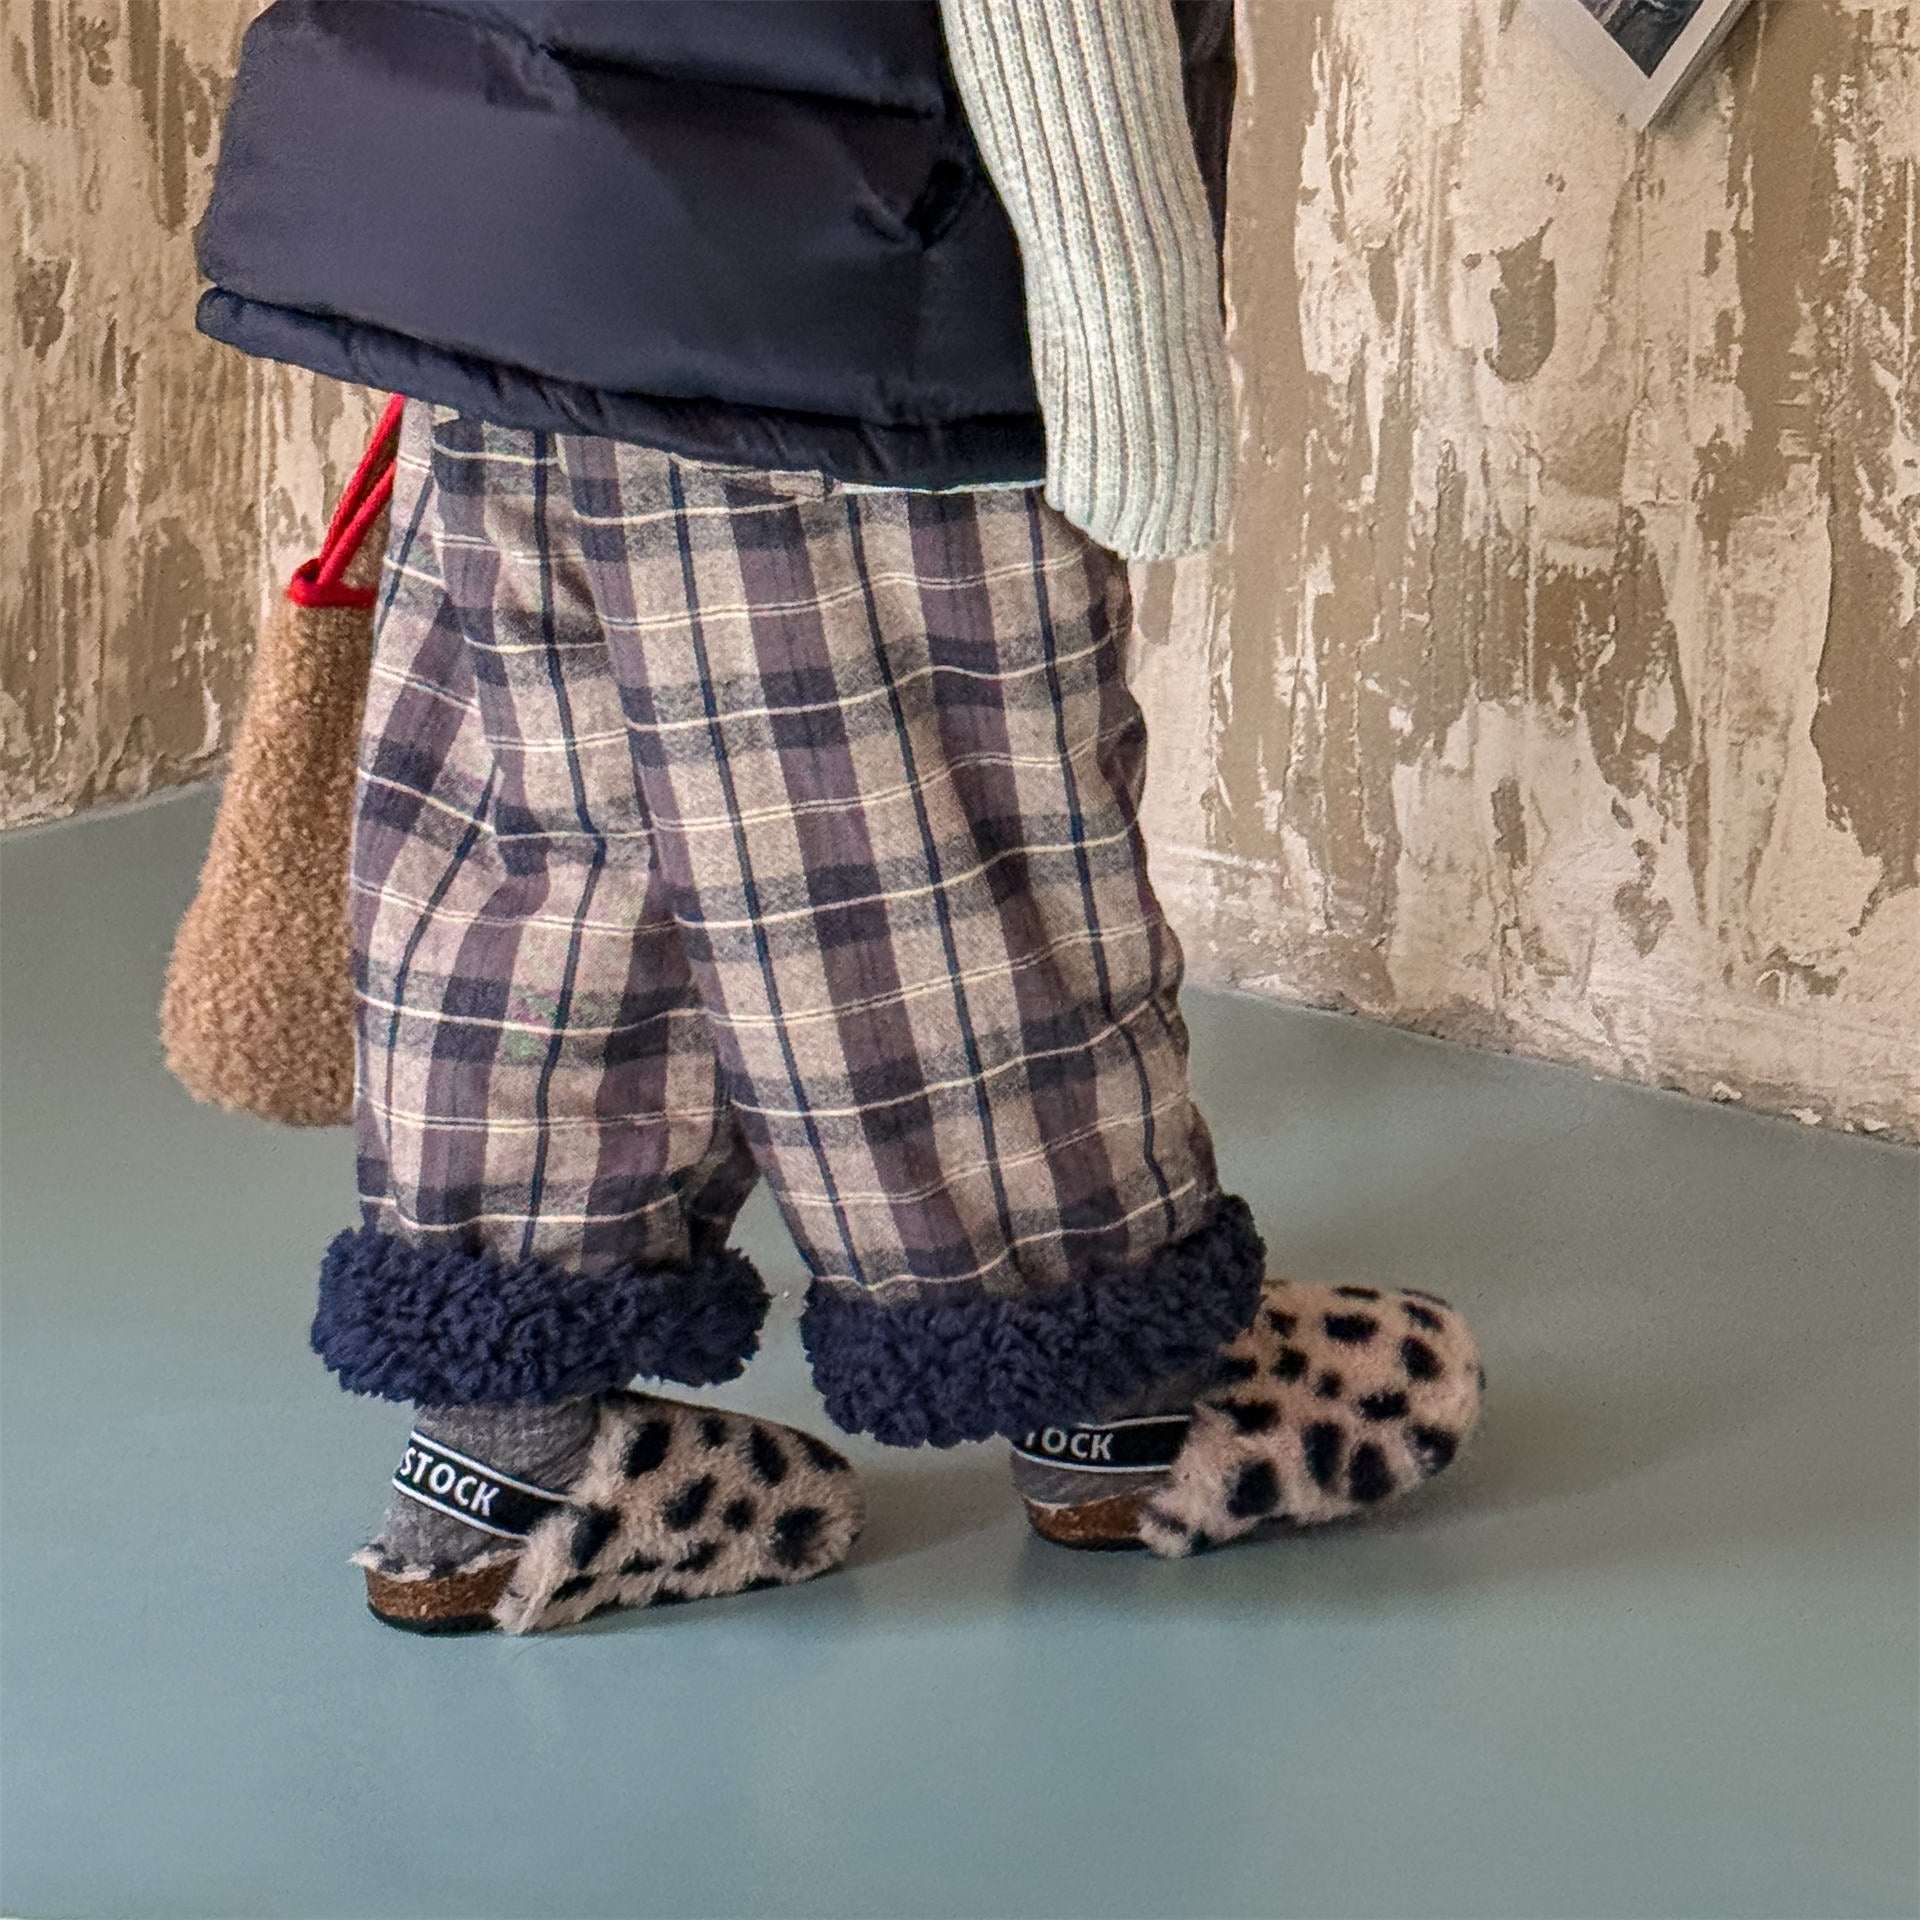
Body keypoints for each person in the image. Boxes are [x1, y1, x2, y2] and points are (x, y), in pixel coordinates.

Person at [192, 0, 1483, 1634]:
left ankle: (507, 1465)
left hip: (495, 243)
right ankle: (1123, 1399)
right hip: (841, 299)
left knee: (554, 862)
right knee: (935, 879)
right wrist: (1132, 343)